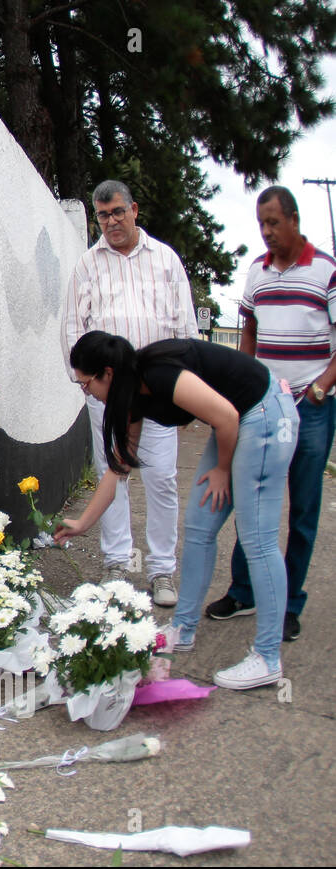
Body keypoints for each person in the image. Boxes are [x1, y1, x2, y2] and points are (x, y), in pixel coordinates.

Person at [55, 331, 298, 690]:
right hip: (235, 420)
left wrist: (222, 470)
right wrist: (82, 523)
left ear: (107, 372)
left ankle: (267, 657)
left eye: (85, 383)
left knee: (257, 539)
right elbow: (118, 469)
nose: (86, 391)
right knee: (200, 526)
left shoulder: (159, 375)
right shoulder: (132, 395)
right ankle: (183, 629)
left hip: (264, 415)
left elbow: (227, 417)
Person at [204, 186, 336, 642]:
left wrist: (322, 387)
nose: (266, 233)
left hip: (312, 407)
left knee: (302, 508)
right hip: (263, 406)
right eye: (261, 224)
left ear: (295, 219)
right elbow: (249, 331)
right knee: (254, 498)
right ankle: (244, 592)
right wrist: (243, 385)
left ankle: (288, 603)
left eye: (274, 223)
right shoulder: (256, 273)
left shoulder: (326, 271)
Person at [61, 180, 198, 608]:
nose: (112, 221)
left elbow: (185, 327)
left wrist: (184, 386)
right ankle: (117, 564)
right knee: (112, 475)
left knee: (162, 479)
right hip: (107, 395)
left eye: (118, 211)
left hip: (157, 391)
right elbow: (71, 326)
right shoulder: (87, 264)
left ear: (134, 209)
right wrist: (85, 383)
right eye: (103, 215)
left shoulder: (166, 260)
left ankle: (161, 571)